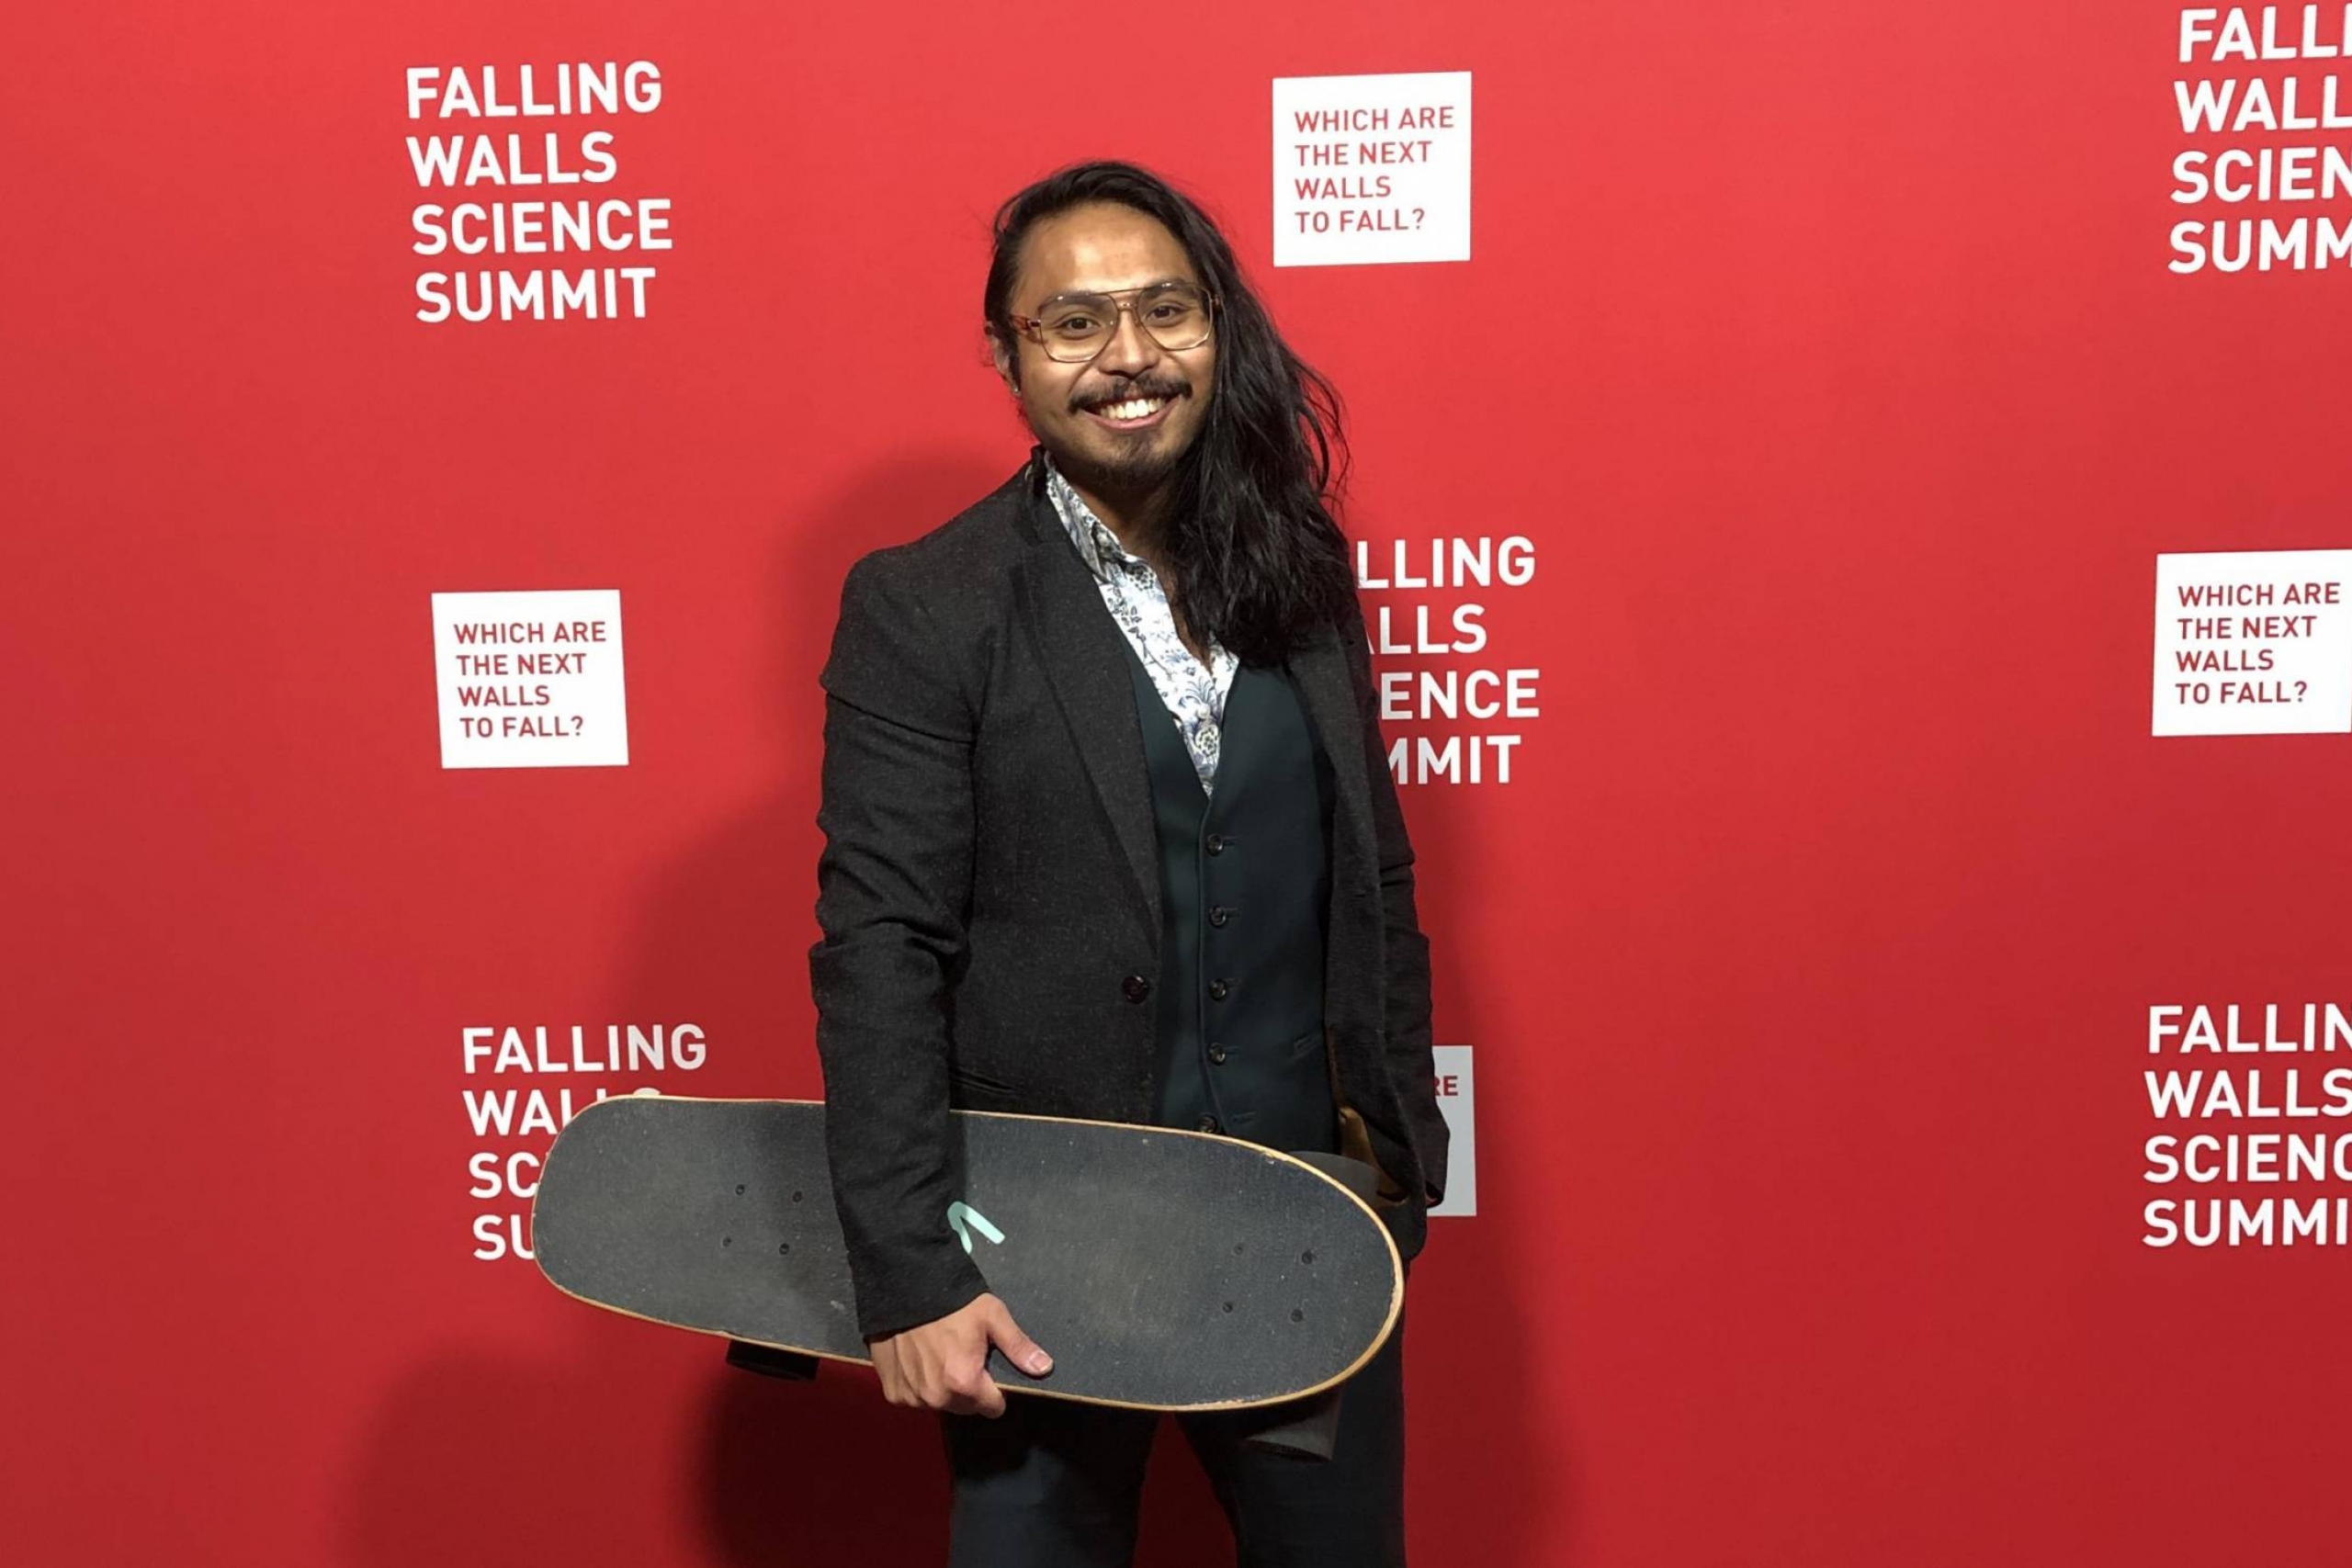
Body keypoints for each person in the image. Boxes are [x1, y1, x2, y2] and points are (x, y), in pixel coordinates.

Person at [808, 158, 1448, 1568]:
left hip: (1305, 1237)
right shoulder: (928, 606)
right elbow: (883, 951)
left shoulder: (1303, 573)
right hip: (1038, 1261)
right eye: (1075, 323)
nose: (1130, 359)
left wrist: (1399, 1182)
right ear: (1007, 353)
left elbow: (1373, 883)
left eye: (1167, 311)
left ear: (1218, 325)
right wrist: (913, 1272)